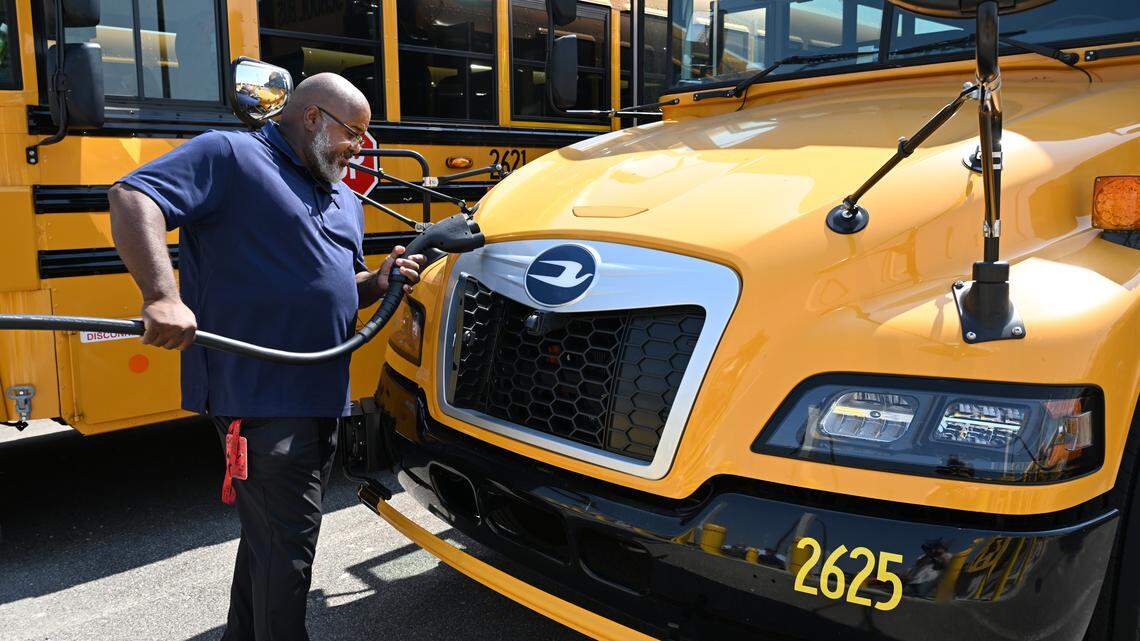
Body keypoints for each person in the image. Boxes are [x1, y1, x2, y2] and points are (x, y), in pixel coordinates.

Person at [107, 73, 425, 641]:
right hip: (259, 397)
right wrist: (161, 296)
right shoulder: (231, 153)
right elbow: (134, 195)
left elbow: (330, 286)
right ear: (312, 117)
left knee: (270, 541)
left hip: (318, 397)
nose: (359, 148)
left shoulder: (340, 196)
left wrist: (375, 283)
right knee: (289, 553)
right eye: (353, 133)